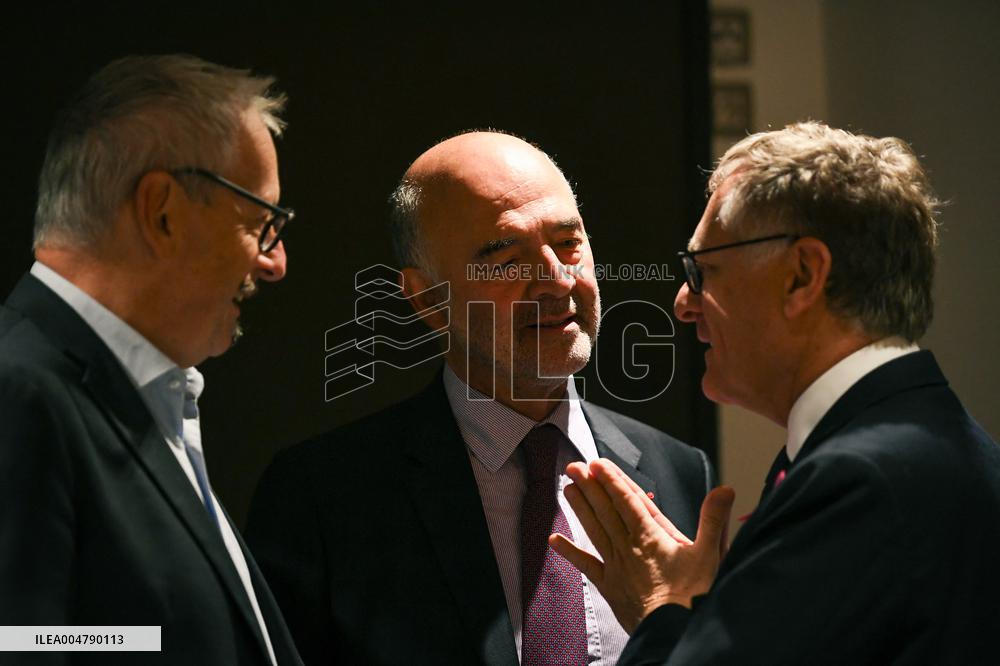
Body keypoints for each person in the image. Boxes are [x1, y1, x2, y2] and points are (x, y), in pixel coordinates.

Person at [245, 131, 714, 665]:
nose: (558, 280)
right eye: (504, 257)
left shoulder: (679, 473)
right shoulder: (323, 497)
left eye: (568, 243)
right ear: (426, 298)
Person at [551, 121, 1000, 664]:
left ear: (801, 275)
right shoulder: (923, 442)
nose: (683, 304)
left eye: (703, 270)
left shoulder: (860, 482)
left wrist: (663, 609)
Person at [0, 54, 302, 665]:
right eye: (260, 223)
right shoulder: (16, 392)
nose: (276, 262)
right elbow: (21, 644)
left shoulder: (127, 393)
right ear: (161, 209)